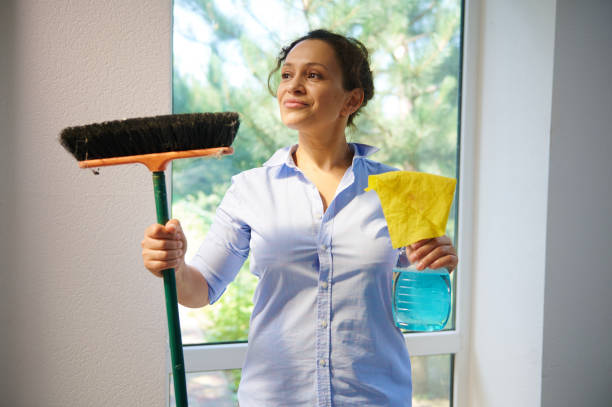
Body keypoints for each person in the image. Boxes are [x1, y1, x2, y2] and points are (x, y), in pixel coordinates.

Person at [141, 29, 458, 407]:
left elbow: (421, 296)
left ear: (351, 100)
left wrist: (438, 264)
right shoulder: (250, 190)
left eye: (314, 75)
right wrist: (172, 265)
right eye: (287, 74)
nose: (293, 86)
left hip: (375, 398)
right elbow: (199, 290)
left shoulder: (402, 190)